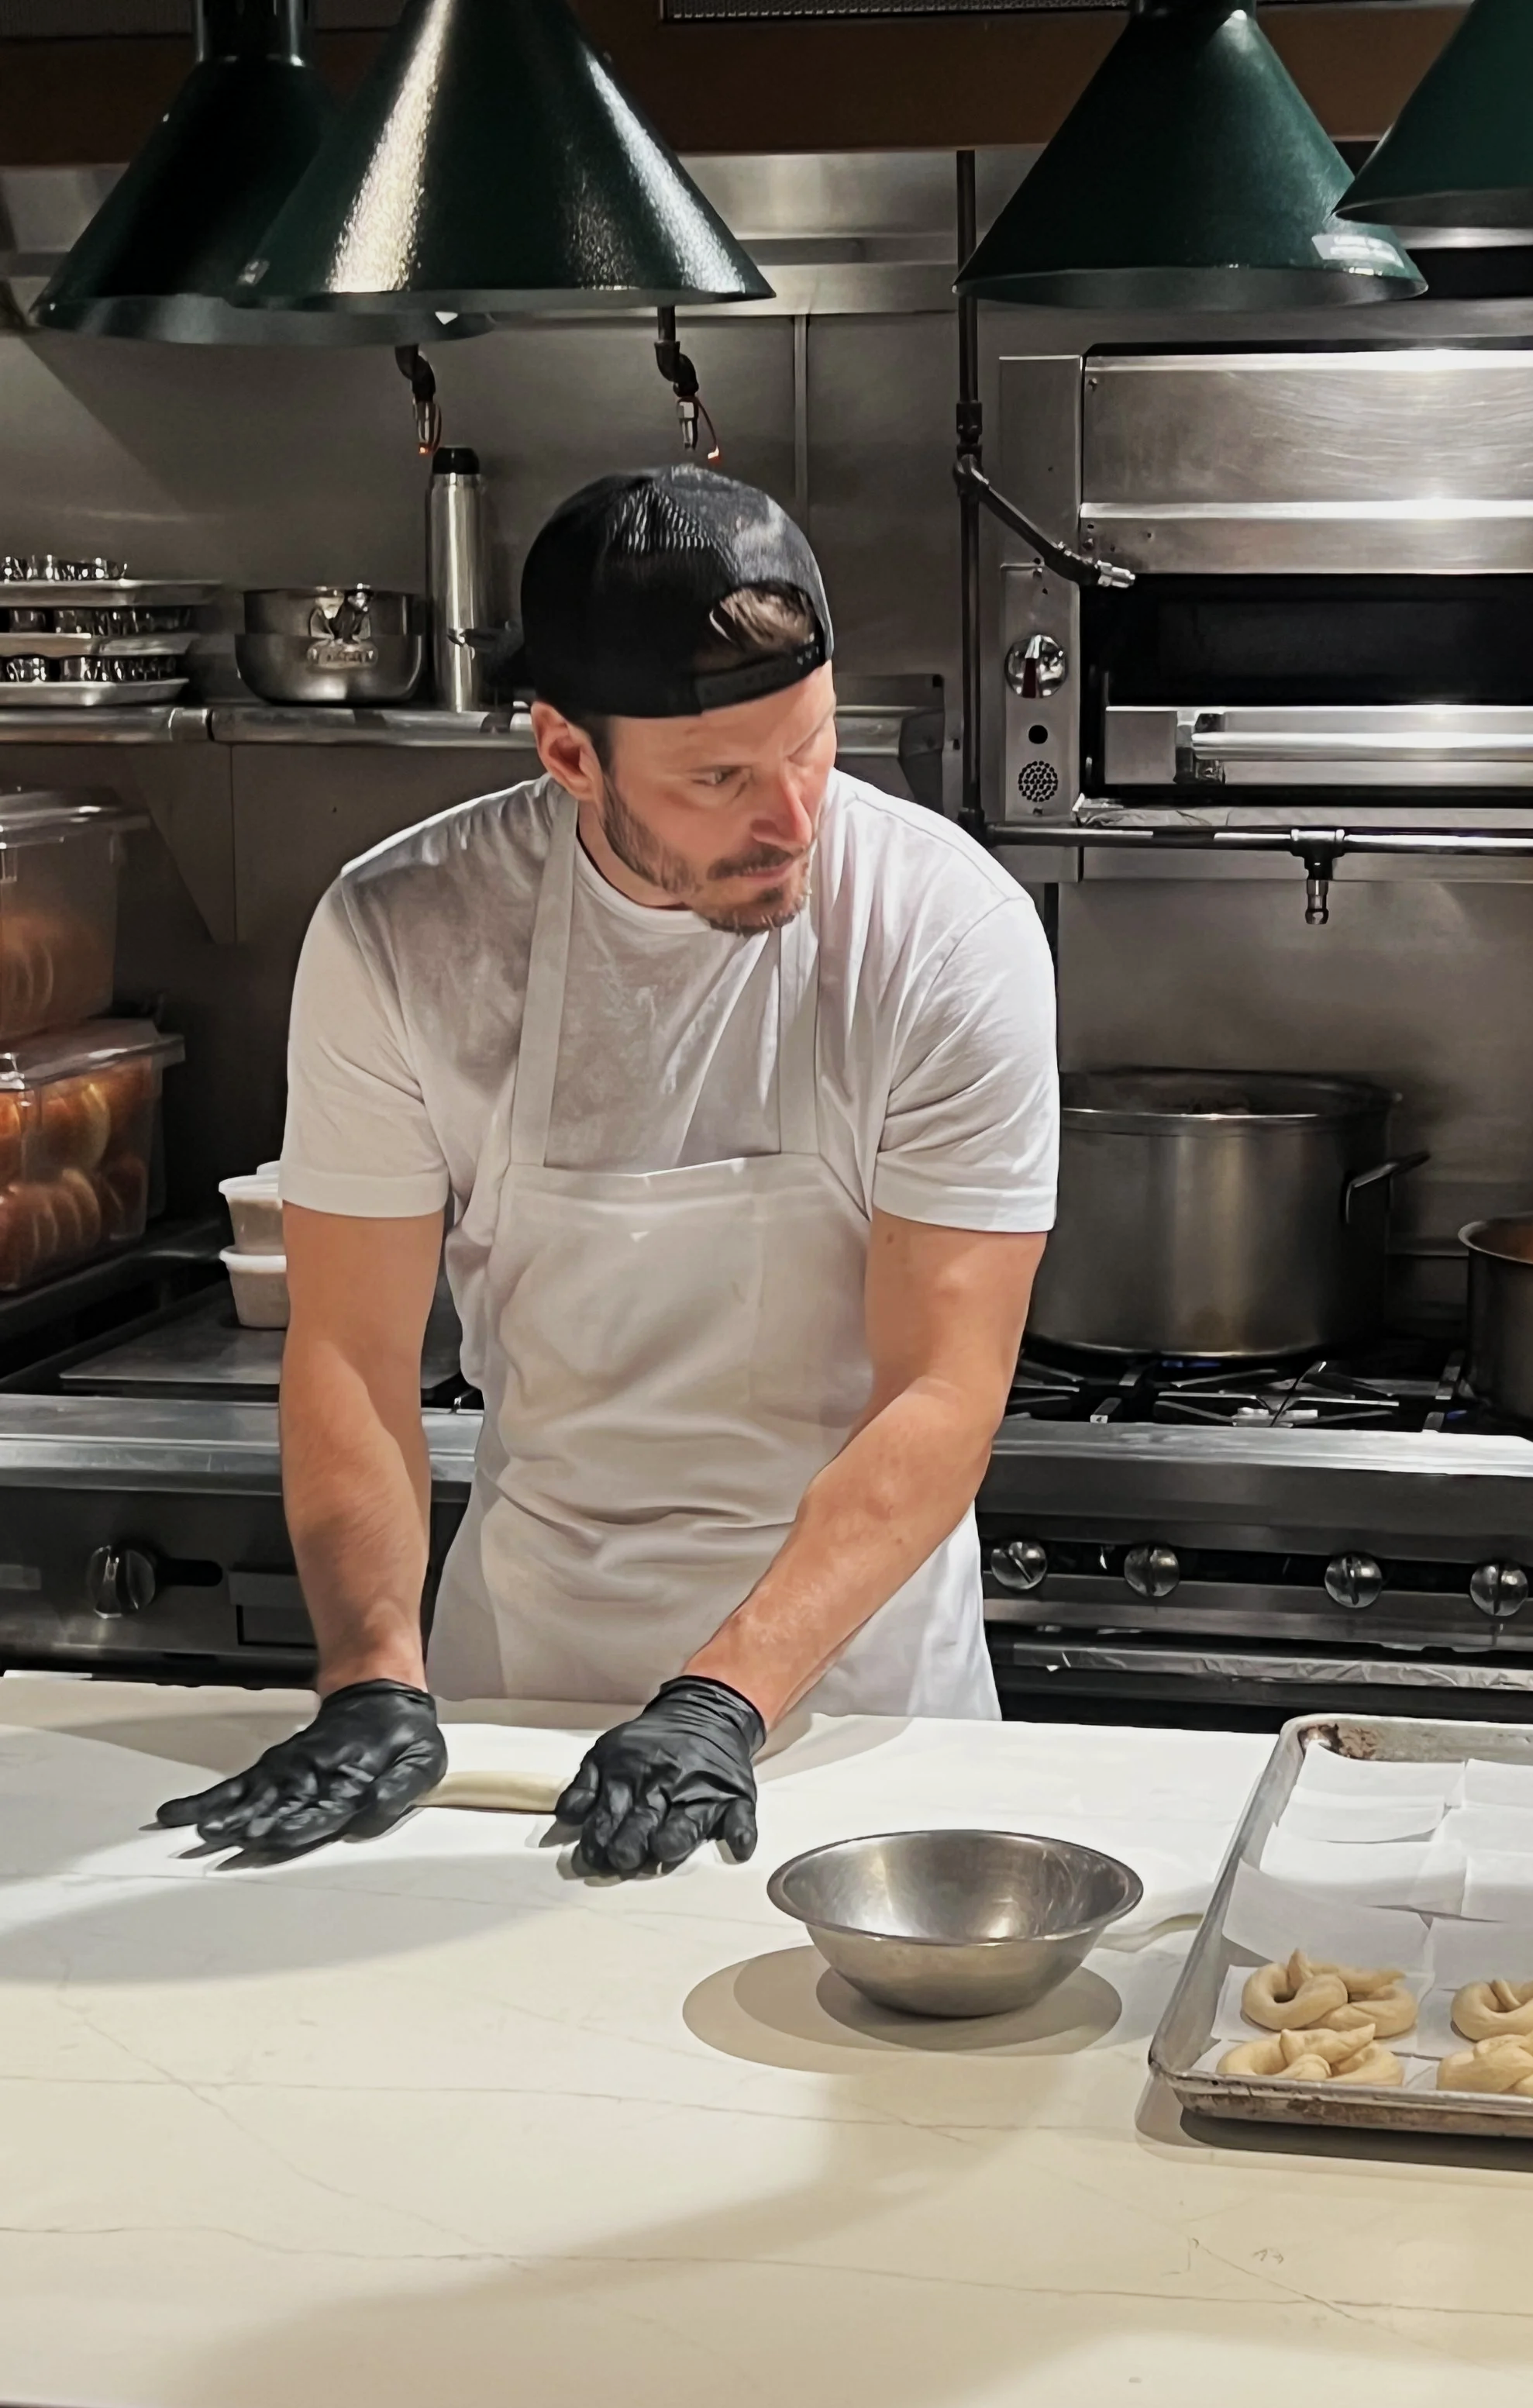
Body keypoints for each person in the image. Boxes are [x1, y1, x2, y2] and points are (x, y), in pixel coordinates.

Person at [160, 466, 1059, 1875]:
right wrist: (371, 1674)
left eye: (811, 749)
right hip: (522, 1677)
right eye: (717, 779)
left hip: (849, 1694)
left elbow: (945, 1388)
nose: (792, 821)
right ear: (568, 754)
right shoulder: (405, 932)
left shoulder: (943, 931)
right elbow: (348, 1349)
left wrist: (725, 1695)